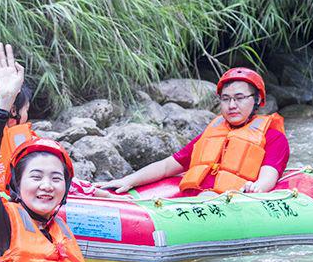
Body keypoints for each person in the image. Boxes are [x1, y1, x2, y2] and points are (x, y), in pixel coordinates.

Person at [0, 42, 127, 262]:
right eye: (36, 177)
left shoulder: (63, 241)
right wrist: (5, 101)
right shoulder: (0, 226)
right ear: (17, 185)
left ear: (65, 189)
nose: (47, 185)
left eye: (56, 178)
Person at [97, 68, 289, 195]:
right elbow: (166, 167)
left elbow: (268, 177)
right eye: (225, 99)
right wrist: (129, 180)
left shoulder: (273, 138)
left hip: (233, 203)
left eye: (239, 98)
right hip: (194, 203)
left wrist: (256, 189)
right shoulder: (210, 135)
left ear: (256, 100)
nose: (232, 105)